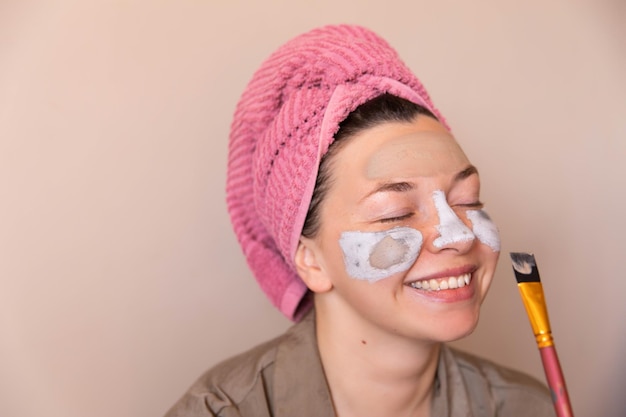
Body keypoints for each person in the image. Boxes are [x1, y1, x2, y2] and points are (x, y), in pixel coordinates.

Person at [165, 24, 555, 417]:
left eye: (467, 201)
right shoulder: (220, 410)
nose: (457, 235)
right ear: (310, 260)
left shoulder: (532, 408)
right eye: (396, 212)